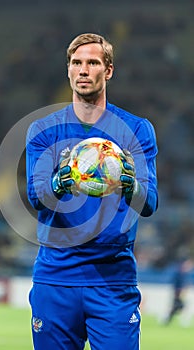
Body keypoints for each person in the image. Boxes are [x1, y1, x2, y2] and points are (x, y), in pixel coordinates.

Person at [26, 33, 158, 350]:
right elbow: (36, 197)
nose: (84, 70)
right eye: (76, 63)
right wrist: (62, 180)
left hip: (113, 280)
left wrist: (130, 184)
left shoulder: (136, 129)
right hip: (56, 277)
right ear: (69, 70)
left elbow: (149, 202)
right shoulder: (43, 130)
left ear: (108, 71)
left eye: (93, 62)